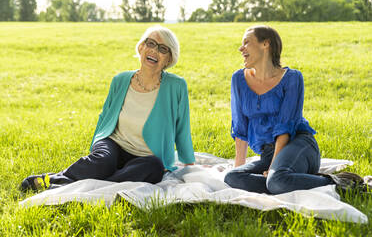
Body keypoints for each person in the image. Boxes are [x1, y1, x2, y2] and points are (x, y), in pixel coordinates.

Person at [21, 25, 195, 192]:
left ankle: (82, 183)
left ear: (169, 59)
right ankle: (54, 179)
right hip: (114, 143)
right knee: (103, 162)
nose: (154, 51)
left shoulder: (176, 86)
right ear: (141, 47)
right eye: (150, 44)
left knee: (154, 168)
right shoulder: (120, 80)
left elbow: (182, 127)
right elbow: (105, 117)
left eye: (163, 49)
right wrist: (95, 153)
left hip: (146, 155)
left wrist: (188, 162)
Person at [224, 25, 363, 194]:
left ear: (265, 44)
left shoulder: (292, 78)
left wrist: (274, 167)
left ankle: (342, 182)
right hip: (267, 153)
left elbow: (285, 127)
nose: (241, 48)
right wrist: (240, 168)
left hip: (298, 145)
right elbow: (240, 127)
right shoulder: (238, 79)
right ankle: (290, 180)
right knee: (232, 177)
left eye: (246, 43)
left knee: (275, 181)